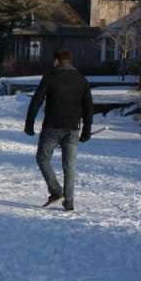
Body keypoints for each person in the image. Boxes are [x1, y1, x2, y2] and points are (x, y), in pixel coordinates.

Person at [25, 49, 94, 211]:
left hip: (52, 127)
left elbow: (36, 100)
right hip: (72, 128)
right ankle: (69, 202)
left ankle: (56, 191)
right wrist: (87, 128)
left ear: (57, 60)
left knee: (43, 158)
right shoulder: (81, 79)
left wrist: (29, 123)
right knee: (69, 166)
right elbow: (88, 106)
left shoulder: (50, 77)